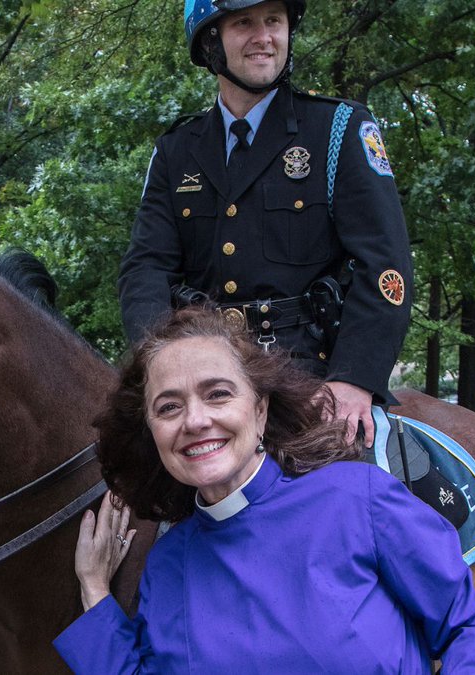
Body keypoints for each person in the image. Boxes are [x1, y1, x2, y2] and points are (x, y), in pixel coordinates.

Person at [52, 309, 475, 673]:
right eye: (169, 406)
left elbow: (468, 626)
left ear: (259, 410)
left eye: (217, 394)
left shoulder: (360, 499)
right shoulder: (168, 565)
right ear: (152, 430)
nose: (195, 421)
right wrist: (94, 591)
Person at [118, 0, 413, 449]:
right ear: (210, 42)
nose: (264, 37)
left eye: (274, 21)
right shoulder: (176, 151)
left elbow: (386, 267)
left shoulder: (339, 129)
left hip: (310, 383)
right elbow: (146, 270)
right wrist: (165, 372)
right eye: (244, 23)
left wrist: (354, 379)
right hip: (203, 379)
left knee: (349, 502)